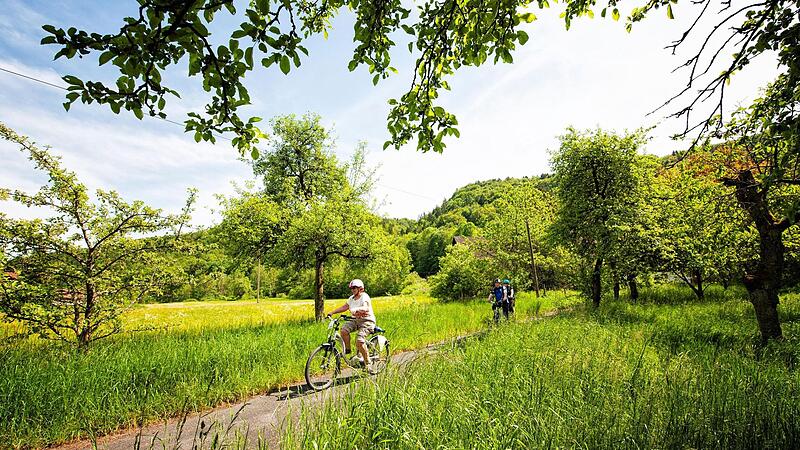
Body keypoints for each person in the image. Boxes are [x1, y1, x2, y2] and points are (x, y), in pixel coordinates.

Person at [325, 279, 375, 368]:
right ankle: (348, 351)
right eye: (351, 288)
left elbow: (365, 307)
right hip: (355, 320)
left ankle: (368, 363)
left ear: (360, 288)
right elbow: (345, 307)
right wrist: (332, 312)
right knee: (343, 330)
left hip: (367, 321)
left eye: (354, 288)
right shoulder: (351, 298)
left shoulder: (364, 296)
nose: (352, 290)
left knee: (359, 341)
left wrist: (356, 310)